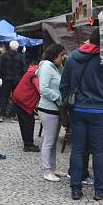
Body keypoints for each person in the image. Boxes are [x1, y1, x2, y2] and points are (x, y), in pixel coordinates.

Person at [59, 29, 103, 201]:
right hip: (98, 111)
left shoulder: (71, 59)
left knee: (77, 149)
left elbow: (63, 86)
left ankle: (76, 189)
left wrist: (69, 104)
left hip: (78, 110)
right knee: (98, 151)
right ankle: (100, 190)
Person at [37, 43, 67, 182]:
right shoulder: (47, 68)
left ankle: (53, 168)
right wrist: (58, 97)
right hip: (48, 108)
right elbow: (43, 89)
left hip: (55, 109)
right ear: (55, 55)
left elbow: (63, 79)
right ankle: (46, 170)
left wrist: (60, 65)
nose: (63, 57)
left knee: (53, 141)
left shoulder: (55, 67)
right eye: (61, 55)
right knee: (48, 141)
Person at [12, 59, 41, 152]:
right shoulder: (35, 75)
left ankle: (27, 143)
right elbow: (41, 89)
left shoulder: (32, 72)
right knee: (29, 122)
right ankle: (28, 144)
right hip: (24, 100)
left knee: (24, 122)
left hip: (19, 98)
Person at [0, 40, 26, 122]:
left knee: (4, 97)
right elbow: (24, 69)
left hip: (6, 79)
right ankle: (13, 116)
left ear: (9, 47)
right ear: (17, 47)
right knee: (15, 98)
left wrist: (1, 76)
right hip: (17, 80)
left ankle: (1, 115)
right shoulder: (20, 57)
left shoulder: (4, 56)